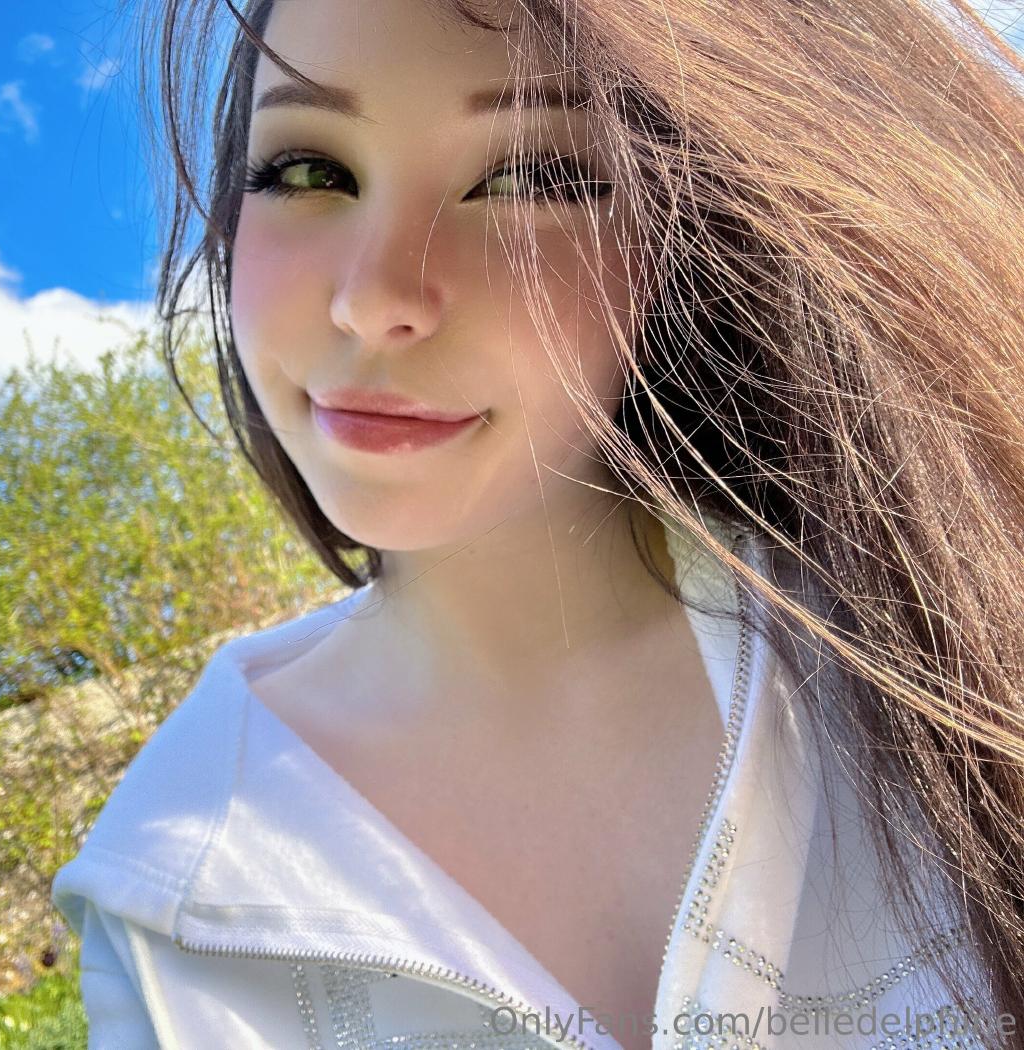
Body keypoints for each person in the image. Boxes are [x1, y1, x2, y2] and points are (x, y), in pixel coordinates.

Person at [52, 0, 1024, 1046]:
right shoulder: (164, 892)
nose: (372, 300)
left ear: (690, 228)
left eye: (533, 176)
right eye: (306, 169)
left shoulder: (941, 640)